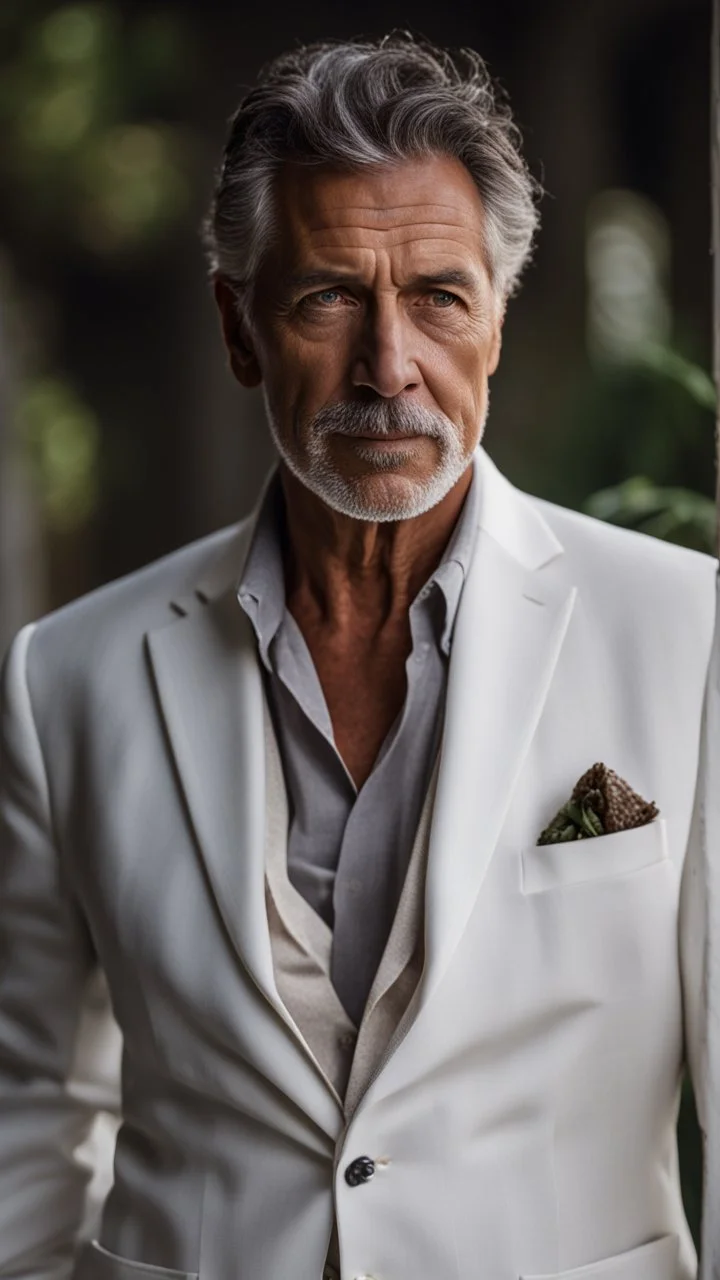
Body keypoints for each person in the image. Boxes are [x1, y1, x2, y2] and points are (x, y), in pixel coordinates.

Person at [0, 34, 716, 1280]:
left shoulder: (691, 633)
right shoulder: (64, 677)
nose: (391, 368)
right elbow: (26, 1112)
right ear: (240, 328)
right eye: (330, 296)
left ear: (495, 319)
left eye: (439, 295)